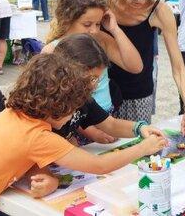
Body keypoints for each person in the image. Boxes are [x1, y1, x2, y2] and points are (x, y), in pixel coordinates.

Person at [0, 53, 167, 215]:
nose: (73, 116)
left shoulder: (14, 114)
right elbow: (99, 166)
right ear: (58, 106)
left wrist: (49, 177)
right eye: (72, 108)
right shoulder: (39, 137)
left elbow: (22, 156)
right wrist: (143, 147)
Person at [25, 34, 167, 198]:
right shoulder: (46, 107)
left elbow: (110, 124)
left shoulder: (81, 98)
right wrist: (143, 148)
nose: (95, 84)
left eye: (98, 79)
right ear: (66, 71)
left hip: (61, 168)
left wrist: (140, 128)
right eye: (92, 78)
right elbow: (32, 155)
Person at [107, 0, 185, 139]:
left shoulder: (159, 11)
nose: (143, 2)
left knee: (135, 152)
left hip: (138, 96)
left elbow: (178, 67)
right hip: (100, 97)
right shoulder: (101, 1)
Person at [44, 0, 143, 134]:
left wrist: (114, 29)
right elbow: (52, 104)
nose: (94, 30)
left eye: (98, 24)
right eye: (87, 24)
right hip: (77, 125)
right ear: (67, 20)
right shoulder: (52, 51)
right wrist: (88, 130)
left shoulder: (100, 40)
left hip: (107, 118)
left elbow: (135, 67)